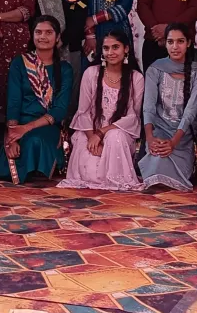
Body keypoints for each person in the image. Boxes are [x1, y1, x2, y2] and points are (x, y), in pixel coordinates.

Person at [60, 28, 144, 192]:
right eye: (106, 48)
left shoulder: (136, 78)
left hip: (119, 132)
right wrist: (93, 137)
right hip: (89, 131)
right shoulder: (91, 73)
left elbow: (132, 116)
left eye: (115, 47)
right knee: (91, 170)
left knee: (115, 137)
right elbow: (83, 112)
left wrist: (101, 133)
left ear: (126, 49)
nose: (110, 52)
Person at [0, 15, 72, 183]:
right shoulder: (20, 63)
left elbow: (60, 109)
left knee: (34, 140)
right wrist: (12, 135)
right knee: (2, 161)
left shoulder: (64, 69)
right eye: (38, 32)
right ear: (32, 35)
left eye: (49, 32)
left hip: (46, 126)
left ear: (57, 37)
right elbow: (14, 102)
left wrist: (26, 129)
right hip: (19, 123)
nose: (43, 36)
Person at [139, 24, 197, 190]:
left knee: (170, 175)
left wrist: (173, 142)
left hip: (182, 136)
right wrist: (150, 138)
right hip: (158, 131)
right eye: (170, 42)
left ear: (188, 43)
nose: (175, 47)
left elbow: (190, 113)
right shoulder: (155, 69)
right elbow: (148, 106)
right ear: (165, 43)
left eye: (180, 41)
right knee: (157, 162)